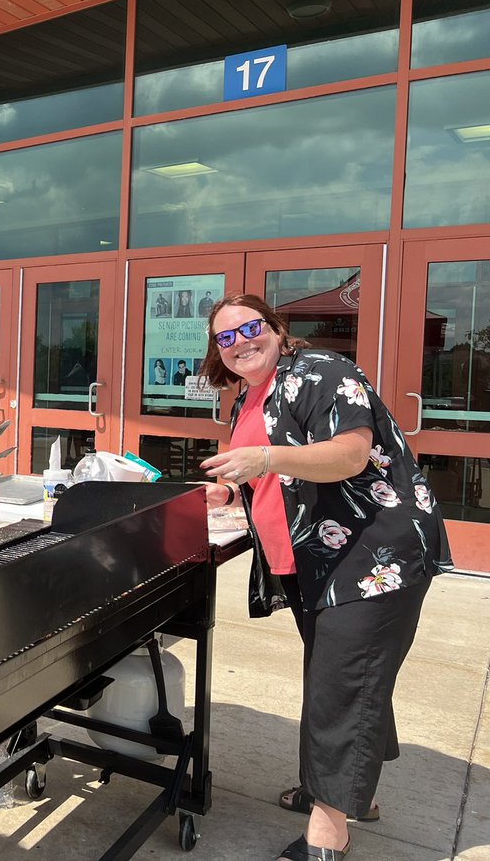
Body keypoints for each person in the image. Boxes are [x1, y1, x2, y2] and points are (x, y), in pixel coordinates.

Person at [198, 294, 450, 861]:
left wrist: (264, 461)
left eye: (250, 328)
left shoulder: (322, 372)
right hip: (318, 561)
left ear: (277, 328)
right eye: (226, 338)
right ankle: (352, 793)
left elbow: (349, 455)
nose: (241, 343)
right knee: (350, 676)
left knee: (342, 682)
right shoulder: (248, 398)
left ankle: (329, 829)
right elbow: (263, 475)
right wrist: (226, 489)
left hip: (374, 555)